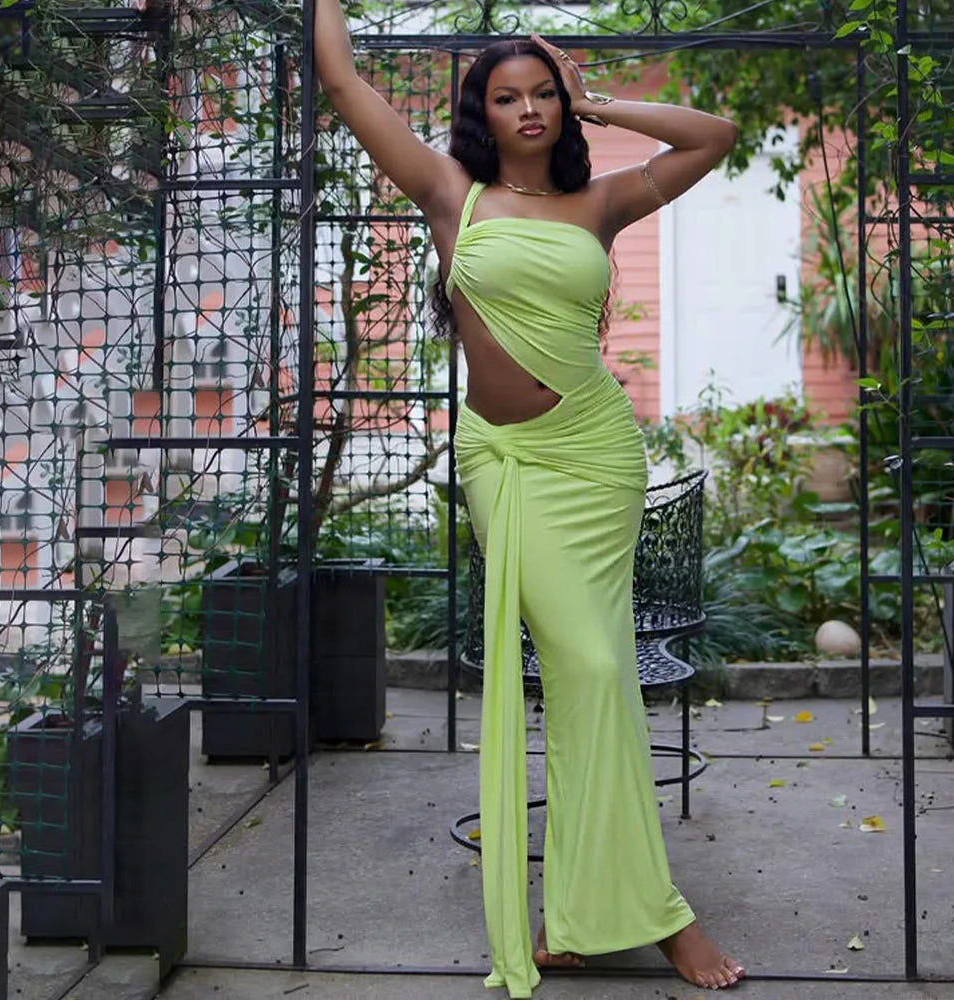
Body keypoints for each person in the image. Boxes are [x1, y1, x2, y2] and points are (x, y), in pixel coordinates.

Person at [314, 6, 744, 997]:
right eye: (506, 96)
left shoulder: (601, 201)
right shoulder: (446, 190)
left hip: (596, 460)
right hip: (504, 460)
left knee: (597, 675)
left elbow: (714, 137)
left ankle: (597, 914)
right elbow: (341, 80)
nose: (529, 109)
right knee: (592, 668)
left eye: (542, 92)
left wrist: (595, 93)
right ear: (480, 113)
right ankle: (650, 915)